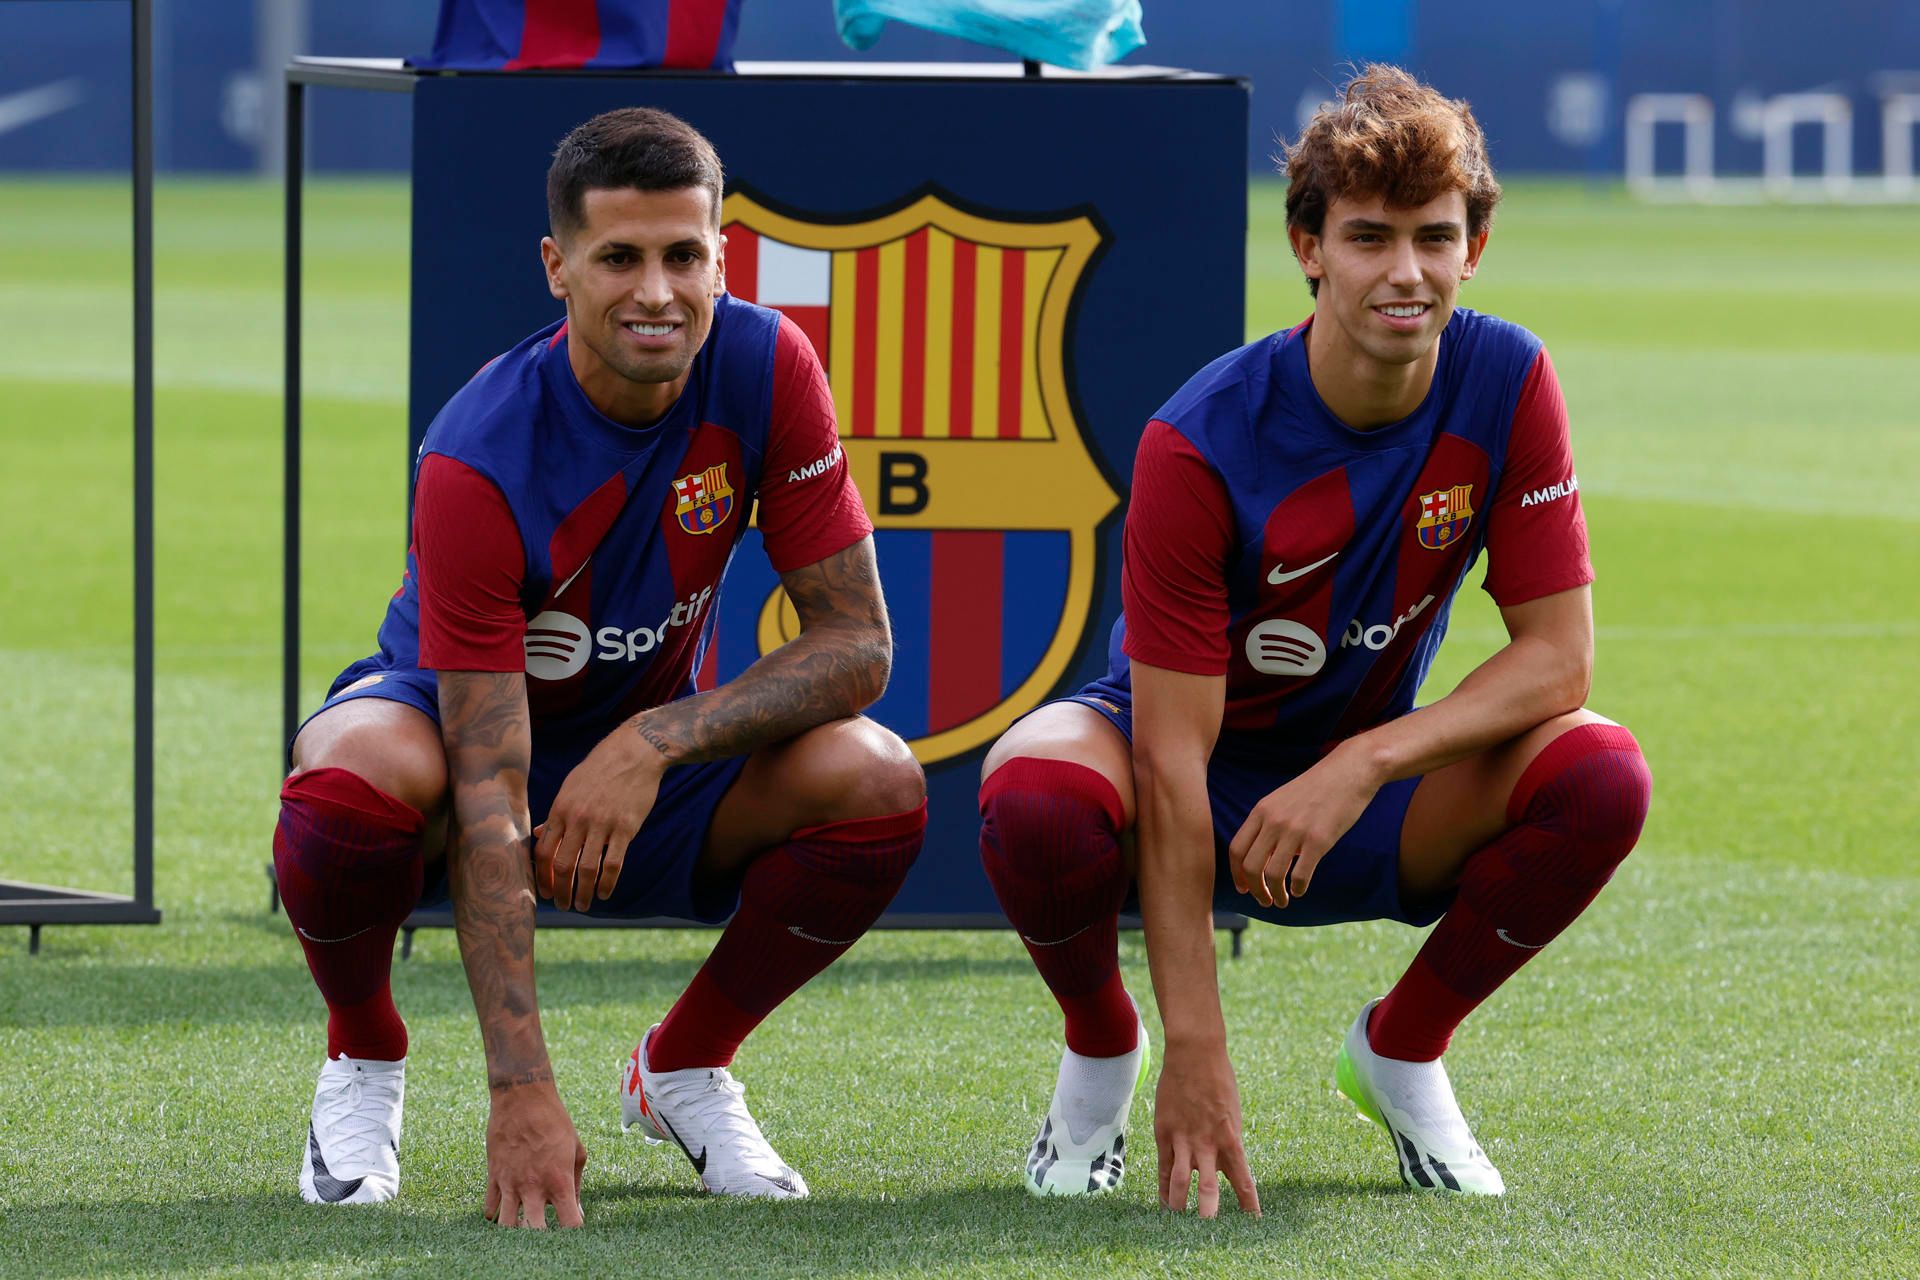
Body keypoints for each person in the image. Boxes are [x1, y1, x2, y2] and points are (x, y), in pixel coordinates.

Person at [977, 65, 1652, 1213]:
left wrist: (1365, 761)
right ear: (1308, 245)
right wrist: (1198, 1044)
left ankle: (1402, 1047)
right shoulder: (1198, 440)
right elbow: (1172, 758)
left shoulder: (1509, 375)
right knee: (1032, 788)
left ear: (1475, 245)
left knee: (1601, 770)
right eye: (1368, 238)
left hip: (1363, 773)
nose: (1406, 272)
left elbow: (1558, 657)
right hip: (1185, 764)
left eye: (1436, 238)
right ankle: (1101, 1050)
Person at [273, 107, 926, 1225]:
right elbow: (487, 784)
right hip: (457, 750)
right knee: (345, 780)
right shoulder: (480, 454)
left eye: (685, 254)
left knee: (877, 781)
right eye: (620, 257)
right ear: (557, 267)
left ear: (725, 255)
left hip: (641, 763)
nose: (657, 292)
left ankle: (682, 1067)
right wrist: (521, 1091)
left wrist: (653, 738)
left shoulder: (769, 365)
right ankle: (365, 1053)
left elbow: (859, 642)